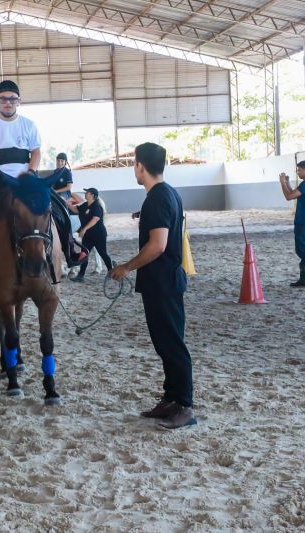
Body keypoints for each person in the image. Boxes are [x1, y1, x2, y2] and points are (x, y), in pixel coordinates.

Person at [0, 80, 86, 271]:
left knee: (58, 206)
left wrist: (31, 173)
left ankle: (69, 246)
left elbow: (35, 152)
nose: (7, 102)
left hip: (26, 178)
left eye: (12, 99)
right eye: (3, 99)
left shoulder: (29, 125)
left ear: (19, 101)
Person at [110, 142, 195, 430]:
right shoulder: (168, 193)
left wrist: (126, 267)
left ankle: (184, 405)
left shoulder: (157, 198)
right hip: (165, 280)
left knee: (172, 344)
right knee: (165, 343)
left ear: (140, 165)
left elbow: (157, 246)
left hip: (162, 282)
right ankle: (171, 399)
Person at [66, 187, 113, 282]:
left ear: (92, 195)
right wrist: (66, 203)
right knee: (84, 254)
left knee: (103, 253)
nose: (85, 193)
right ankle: (81, 276)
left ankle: (111, 272)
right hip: (88, 236)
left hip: (98, 234)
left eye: (87, 192)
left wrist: (84, 229)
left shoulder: (96, 206)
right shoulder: (85, 205)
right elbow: (75, 210)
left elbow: (95, 219)